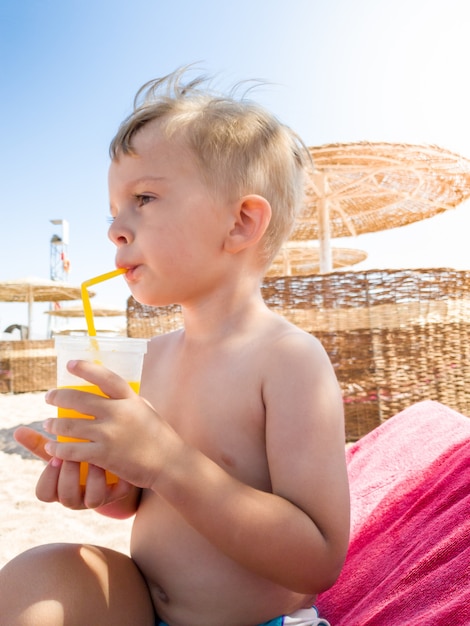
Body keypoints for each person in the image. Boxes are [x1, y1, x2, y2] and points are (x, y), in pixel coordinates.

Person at [0, 67, 350, 626]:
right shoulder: (151, 356)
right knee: (37, 574)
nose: (116, 228)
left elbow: (318, 560)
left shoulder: (288, 360)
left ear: (240, 223)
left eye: (143, 197)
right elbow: (137, 505)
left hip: (262, 621)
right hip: (145, 604)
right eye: (113, 210)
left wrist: (167, 461)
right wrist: (101, 478)